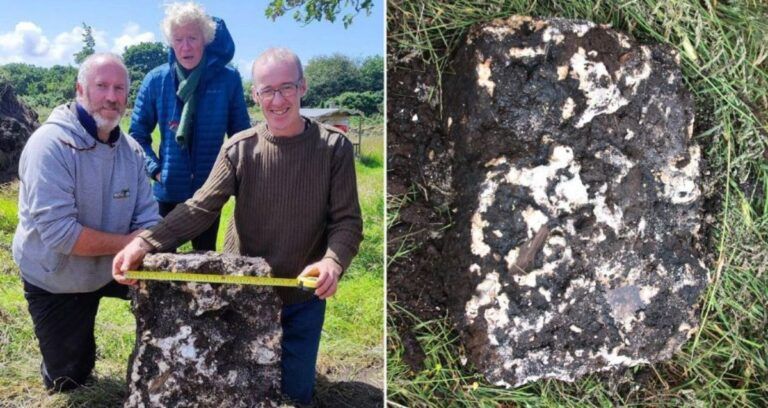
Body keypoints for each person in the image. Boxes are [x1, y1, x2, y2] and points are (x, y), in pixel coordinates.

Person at [113, 47, 363, 405]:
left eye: (287, 88)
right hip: (243, 295)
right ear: (254, 95)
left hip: (301, 298)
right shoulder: (239, 148)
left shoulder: (333, 147)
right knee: (237, 392)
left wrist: (333, 262)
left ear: (303, 87)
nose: (277, 100)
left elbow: (347, 221)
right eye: (267, 90)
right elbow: (201, 206)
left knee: (295, 396)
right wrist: (145, 243)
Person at [12, 53, 160, 392]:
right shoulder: (49, 146)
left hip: (113, 266)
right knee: (69, 378)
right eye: (101, 86)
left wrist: (144, 243)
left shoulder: (133, 151)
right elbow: (61, 235)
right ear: (81, 89)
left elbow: (150, 218)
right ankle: (61, 359)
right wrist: (132, 242)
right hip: (56, 276)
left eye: (119, 88)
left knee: (173, 288)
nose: (111, 96)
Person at [130, 2, 250, 251]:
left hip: (209, 192)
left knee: (205, 262)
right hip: (166, 190)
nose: (185, 47)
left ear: (204, 39)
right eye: (178, 39)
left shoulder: (228, 79)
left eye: (192, 38)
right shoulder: (156, 80)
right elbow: (137, 135)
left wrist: (231, 179)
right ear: (170, 42)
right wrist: (155, 169)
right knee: (160, 262)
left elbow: (241, 136)